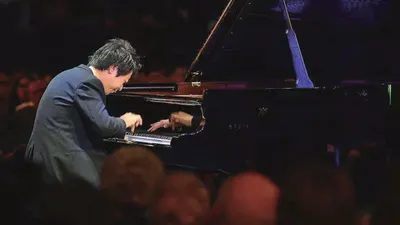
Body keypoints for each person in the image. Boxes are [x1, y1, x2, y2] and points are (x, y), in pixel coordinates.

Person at [25, 38, 143, 187]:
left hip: (48, 152)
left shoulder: (75, 75)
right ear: (113, 68)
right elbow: (104, 126)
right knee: (101, 193)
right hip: (59, 157)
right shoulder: (88, 83)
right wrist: (125, 121)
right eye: (123, 82)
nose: (120, 88)